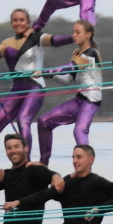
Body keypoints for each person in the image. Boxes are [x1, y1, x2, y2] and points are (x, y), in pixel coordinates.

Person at [0, 8, 73, 173]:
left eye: (22, 20)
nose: (18, 23)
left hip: (35, 86)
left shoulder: (37, 37)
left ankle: (26, 163)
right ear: (11, 23)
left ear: (28, 22)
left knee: (23, 119)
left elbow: (55, 40)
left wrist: (74, 38)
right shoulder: (7, 42)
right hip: (16, 88)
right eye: (15, 20)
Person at [36, 20, 102, 164]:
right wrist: (49, 75)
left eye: (77, 32)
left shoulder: (91, 53)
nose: (73, 35)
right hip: (79, 99)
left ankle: (85, 167)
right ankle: (43, 163)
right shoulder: (77, 54)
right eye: (73, 32)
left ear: (88, 35)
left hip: (91, 101)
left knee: (79, 130)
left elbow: (69, 67)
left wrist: (45, 71)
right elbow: (67, 79)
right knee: (44, 121)